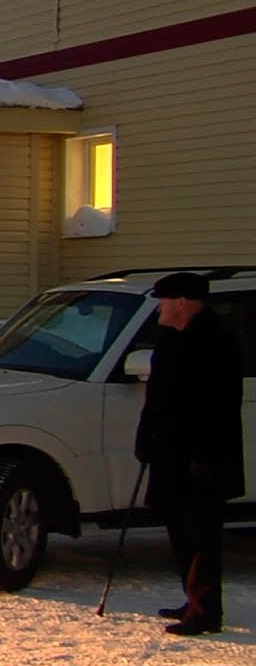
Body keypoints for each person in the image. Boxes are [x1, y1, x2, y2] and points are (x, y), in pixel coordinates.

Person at [134, 271, 245, 636]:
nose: (160, 310)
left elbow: (218, 407)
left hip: (202, 459)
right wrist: (145, 438)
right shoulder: (170, 340)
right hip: (170, 454)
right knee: (181, 529)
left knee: (202, 534)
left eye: (164, 303)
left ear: (182, 302)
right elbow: (157, 400)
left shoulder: (216, 343)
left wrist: (202, 455)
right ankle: (193, 599)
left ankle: (205, 610)